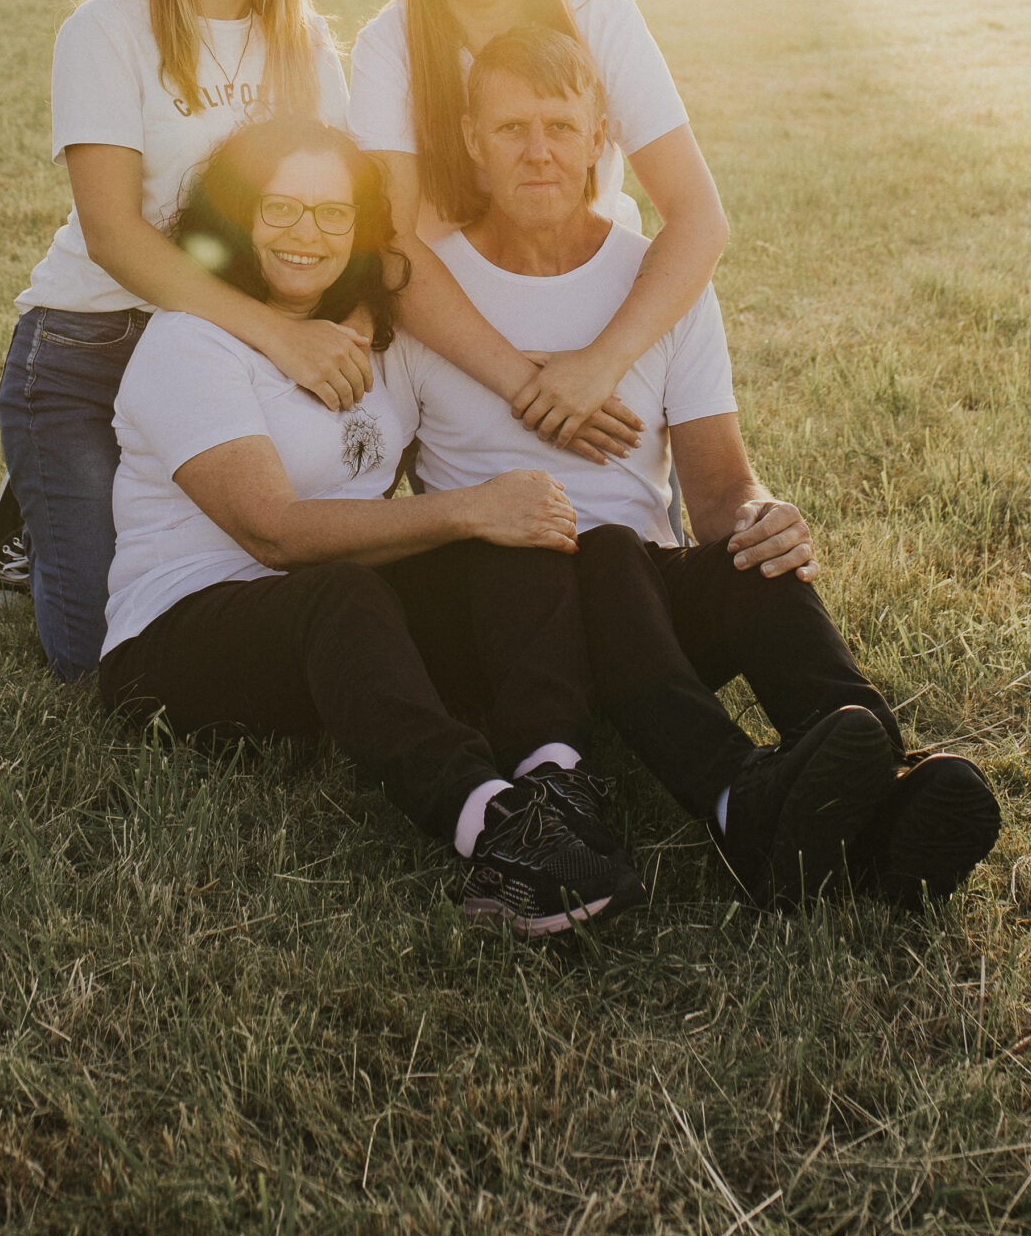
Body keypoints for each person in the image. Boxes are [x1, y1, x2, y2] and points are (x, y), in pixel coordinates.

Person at [394, 24, 1004, 910]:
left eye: (560, 127)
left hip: (643, 616)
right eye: (510, 128)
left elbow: (719, 488)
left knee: (748, 558)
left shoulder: (658, 280)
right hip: (506, 632)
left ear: (598, 138)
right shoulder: (428, 293)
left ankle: (887, 787)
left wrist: (762, 515)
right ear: (470, 143)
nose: (537, 151)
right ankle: (729, 797)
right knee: (605, 546)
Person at [98, 113, 645, 937]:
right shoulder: (190, 343)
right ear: (236, 215)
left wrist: (502, 505)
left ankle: (553, 776)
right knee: (356, 584)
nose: (306, 234)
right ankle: (495, 828)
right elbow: (272, 533)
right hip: (176, 640)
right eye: (280, 208)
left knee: (513, 541)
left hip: (329, 615)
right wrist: (465, 507)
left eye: (332, 213)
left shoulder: (377, 335)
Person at [0, 0, 372, 681]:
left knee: (240, 586)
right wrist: (282, 338)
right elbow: (113, 236)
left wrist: (346, 326)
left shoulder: (304, 43)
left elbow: (341, 207)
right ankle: (28, 519)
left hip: (220, 361)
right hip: (89, 350)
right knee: (98, 658)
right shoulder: (106, 30)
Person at [348, 0, 731, 464]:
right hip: (446, 317)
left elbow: (699, 218)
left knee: (633, 503)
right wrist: (531, 389)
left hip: (590, 303)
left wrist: (600, 364)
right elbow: (392, 241)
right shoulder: (389, 44)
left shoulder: (603, 22)